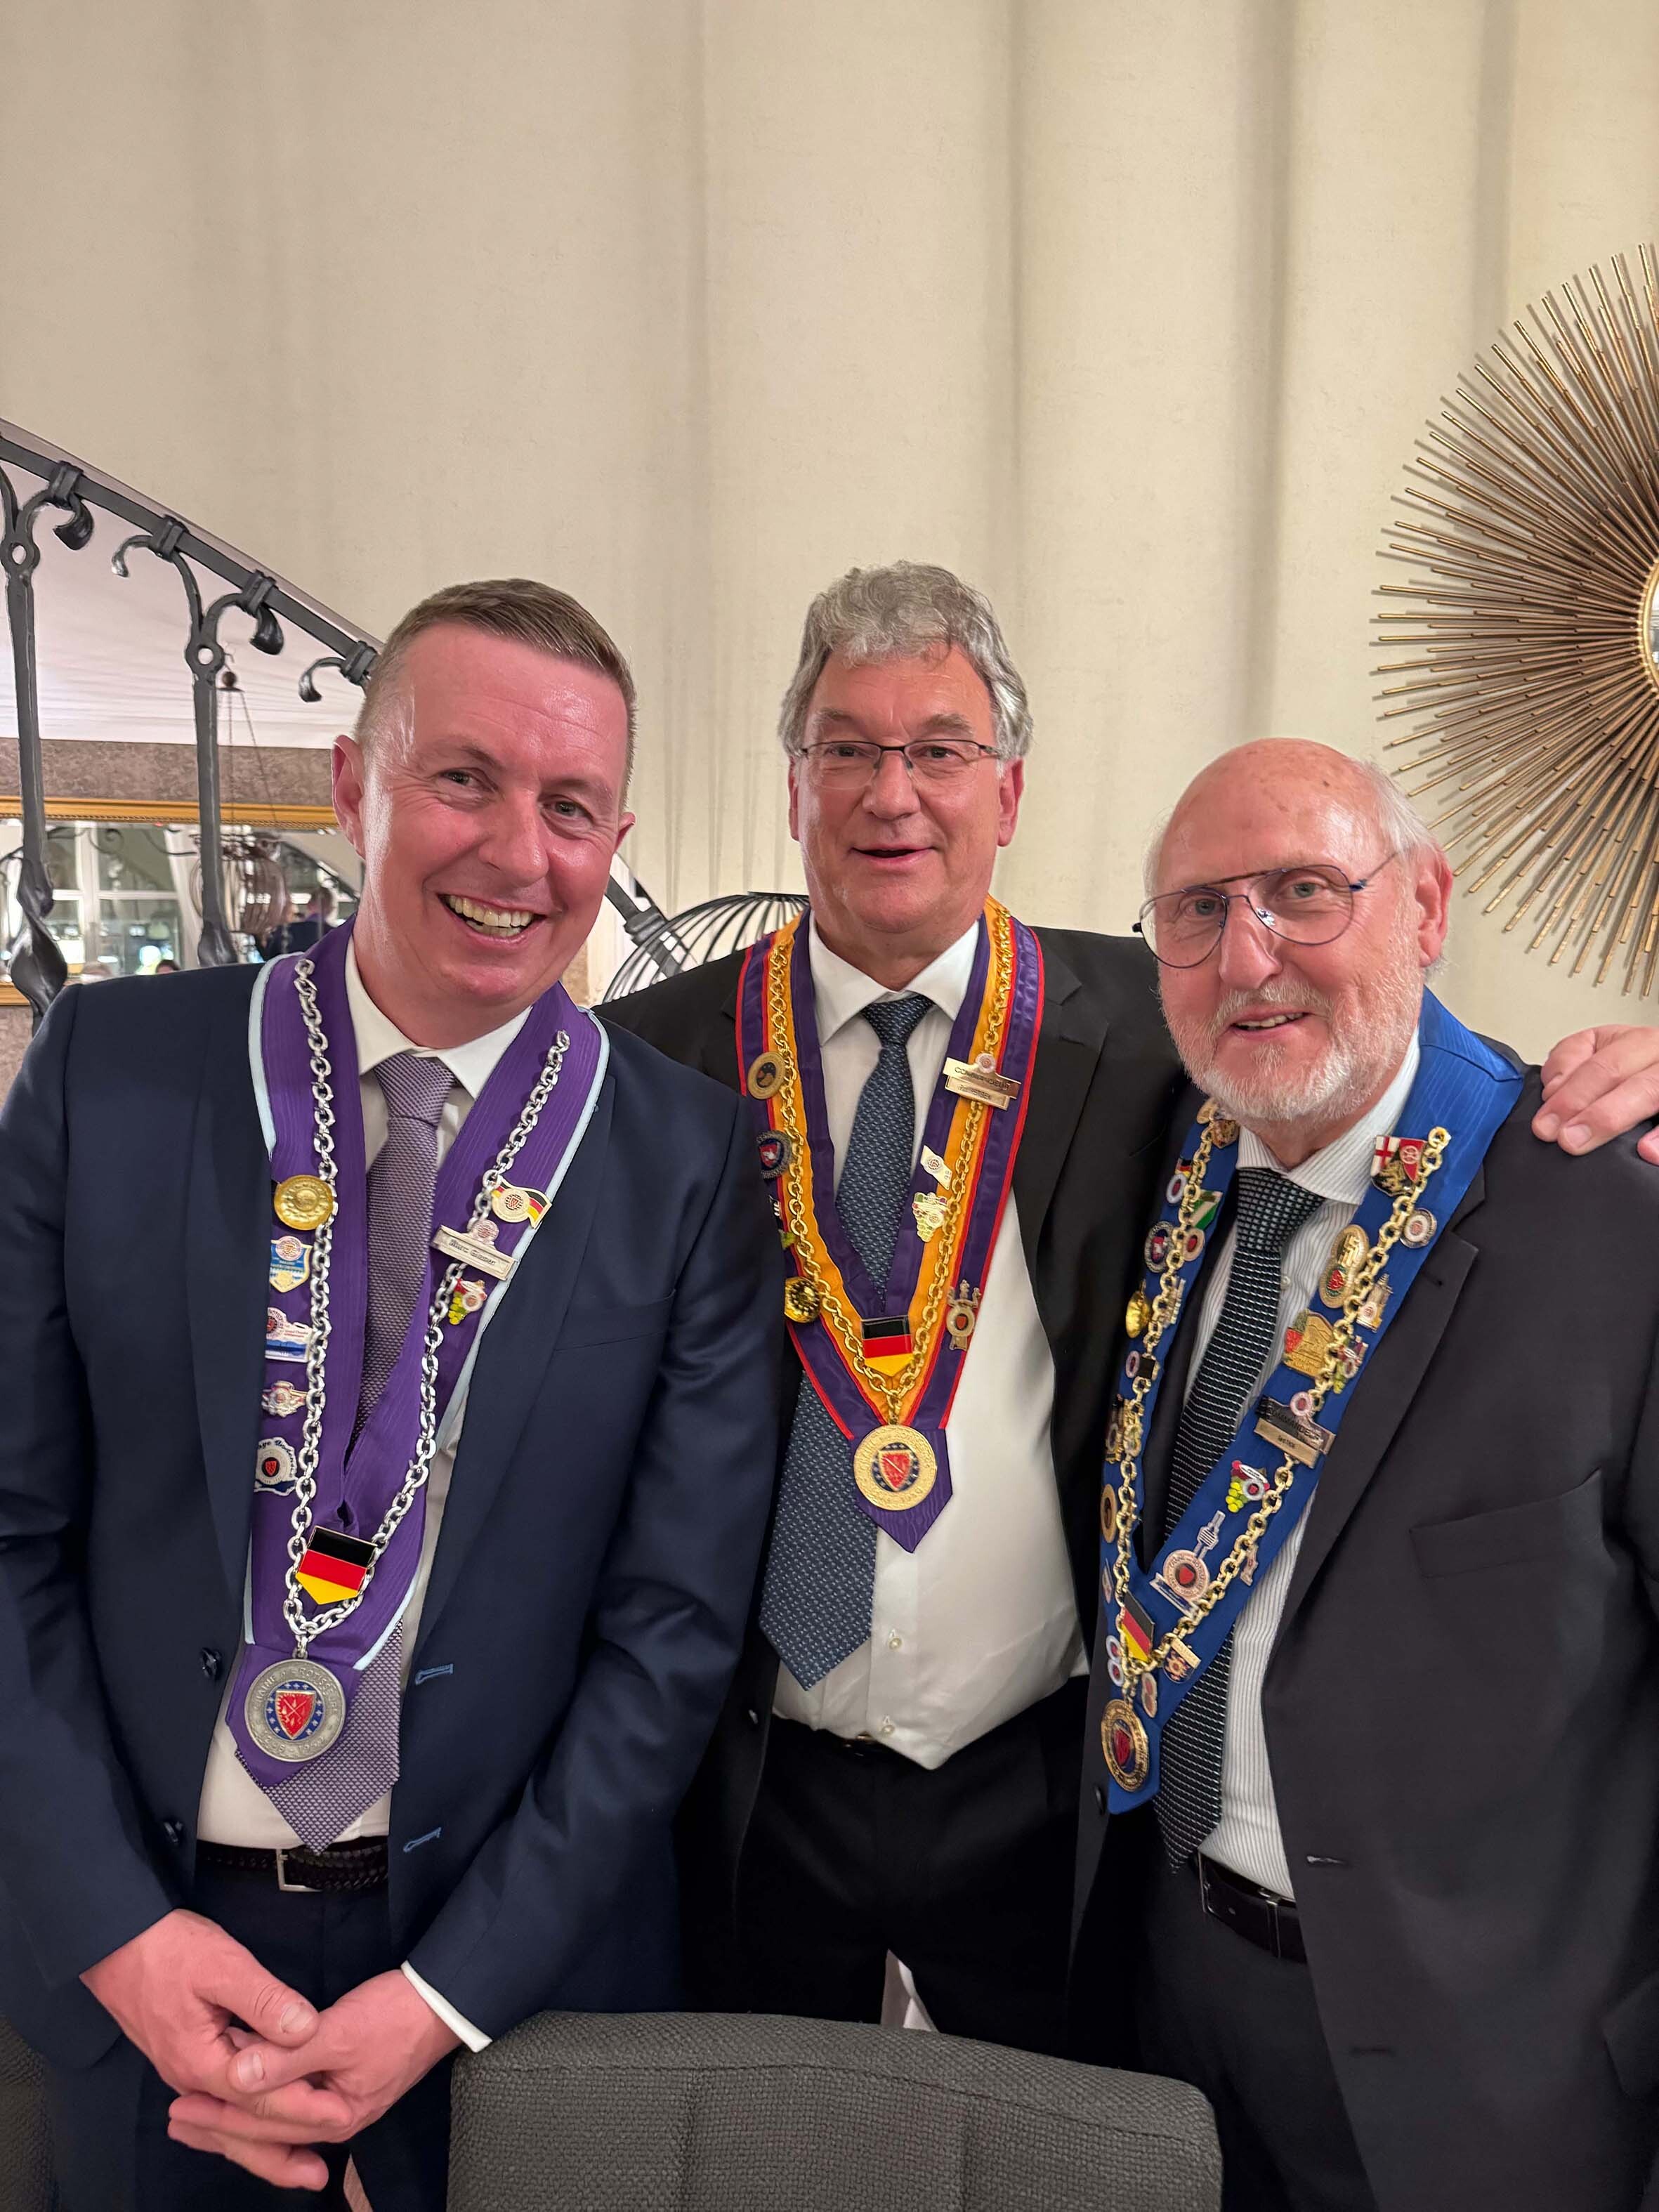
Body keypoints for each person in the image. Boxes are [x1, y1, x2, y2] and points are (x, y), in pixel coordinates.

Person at [605, 563, 1659, 2060]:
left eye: (940, 748)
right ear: (793, 785)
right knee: (761, 2139)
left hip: (1047, 1782)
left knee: (1076, 2147)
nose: (892, 792)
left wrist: (1608, 1083)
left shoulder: (1155, 1020)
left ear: (1008, 790)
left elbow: (1370, 1069)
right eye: (846, 747)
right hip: (749, 1778)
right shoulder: (644, 1059)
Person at [0, 577, 780, 2209]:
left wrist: (438, 1994)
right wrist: (119, 1933)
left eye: (570, 805)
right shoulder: (110, 1072)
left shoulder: (686, 1158)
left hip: (504, 1986)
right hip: (142, 1958)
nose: (517, 851)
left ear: (615, 836)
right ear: (353, 783)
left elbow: (671, 1630)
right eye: (464, 777)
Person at [1073, 739, 1659, 2212]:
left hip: (1493, 2064)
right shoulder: (1161, 1157)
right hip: (1165, 1989)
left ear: (1425, 904)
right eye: (1195, 910)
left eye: (1302, 890)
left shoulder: (1617, 1219)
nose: (1246, 954)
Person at [263, 884, 336, 960]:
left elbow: (270, 962)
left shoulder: (284, 932)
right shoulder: (337, 935)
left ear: (309, 905)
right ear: (331, 909)